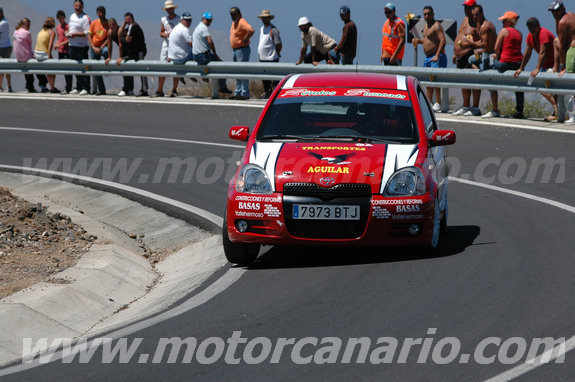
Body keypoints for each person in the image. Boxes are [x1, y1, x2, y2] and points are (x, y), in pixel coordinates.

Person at [514, 17, 558, 121]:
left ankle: (557, 110)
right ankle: (557, 108)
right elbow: (527, 53)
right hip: (545, 66)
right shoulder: (530, 37)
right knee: (539, 85)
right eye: (530, 28)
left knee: (554, 88)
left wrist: (537, 68)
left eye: (534, 27)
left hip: (555, 64)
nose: (532, 29)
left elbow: (543, 52)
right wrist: (521, 68)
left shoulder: (544, 34)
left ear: (538, 26)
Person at [486, 11, 524, 119]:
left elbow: (496, 49)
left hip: (505, 64)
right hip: (518, 64)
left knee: (488, 66)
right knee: (519, 86)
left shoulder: (504, 31)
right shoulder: (519, 33)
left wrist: (495, 59)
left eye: (503, 21)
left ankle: (494, 108)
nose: (502, 23)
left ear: (508, 21)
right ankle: (519, 110)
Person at [412, 5, 446, 112]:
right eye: (425, 14)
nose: (426, 16)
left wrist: (437, 55)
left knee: (435, 80)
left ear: (433, 14)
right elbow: (428, 41)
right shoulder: (426, 26)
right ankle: (429, 101)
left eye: (428, 14)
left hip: (436, 57)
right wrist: (419, 41)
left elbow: (442, 40)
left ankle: (438, 103)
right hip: (427, 57)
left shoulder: (437, 26)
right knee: (428, 80)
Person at [452, 0, 481, 116]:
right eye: (465, 7)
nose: (466, 10)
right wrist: (456, 53)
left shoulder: (477, 23)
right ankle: (466, 106)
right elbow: (460, 35)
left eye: (468, 8)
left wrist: (475, 53)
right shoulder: (465, 19)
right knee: (464, 82)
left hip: (470, 56)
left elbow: (483, 40)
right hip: (461, 57)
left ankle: (475, 107)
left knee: (474, 82)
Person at [549, 0, 575, 124]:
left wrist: (562, 66)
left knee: (571, 84)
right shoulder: (570, 15)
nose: (554, 14)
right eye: (552, 11)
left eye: (556, 11)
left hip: (573, 50)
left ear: (562, 9)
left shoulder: (563, 22)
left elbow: (563, 45)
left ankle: (573, 115)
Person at [469, 5, 497, 118]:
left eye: (476, 14)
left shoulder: (485, 26)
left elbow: (484, 44)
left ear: (481, 13)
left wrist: (470, 42)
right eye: (473, 15)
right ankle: (479, 75)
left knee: (491, 83)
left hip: (488, 56)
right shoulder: (480, 25)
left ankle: (495, 109)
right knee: (471, 60)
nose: (475, 17)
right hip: (484, 54)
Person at [193, 12, 230, 98]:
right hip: (203, 56)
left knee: (212, 65)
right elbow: (210, 41)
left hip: (196, 55)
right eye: (208, 20)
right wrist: (215, 53)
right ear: (203, 19)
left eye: (210, 20)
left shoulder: (197, 27)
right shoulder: (203, 28)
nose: (209, 22)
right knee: (220, 64)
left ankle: (204, 74)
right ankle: (222, 86)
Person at [118, 12, 148, 97]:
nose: (127, 20)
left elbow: (128, 40)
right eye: (125, 19)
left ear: (132, 18)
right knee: (128, 67)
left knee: (142, 69)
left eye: (128, 19)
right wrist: (124, 24)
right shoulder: (129, 27)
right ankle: (129, 88)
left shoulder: (134, 27)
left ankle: (144, 89)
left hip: (139, 51)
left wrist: (121, 39)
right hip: (133, 53)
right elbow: (120, 32)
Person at [156, 0, 179, 97]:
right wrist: (164, 34)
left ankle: (174, 90)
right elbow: (161, 32)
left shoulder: (179, 19)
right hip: (166, 45)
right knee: (162, 67)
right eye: (168, 9)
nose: (169, 10)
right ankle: (160, 90)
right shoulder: (163, 19)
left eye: (170, 9)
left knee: (176, 67)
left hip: (176, 46)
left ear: (173, 8)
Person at [229, 7, 254, 100]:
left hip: (242, 50)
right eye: (232, 15)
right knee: (237, 72)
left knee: (242, 71)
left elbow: (251, 30)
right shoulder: (234, 22)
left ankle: (245, 93)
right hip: (236, 50)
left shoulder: (241, 21)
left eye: (234, 14)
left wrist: (246, 38)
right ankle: (238, 92)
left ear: (239, 14)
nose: (233, 16)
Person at [256, 9, 282, 98]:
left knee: (274, 79)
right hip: (263, 58)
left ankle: (274, 94)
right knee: (265, 79)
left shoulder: (273, 30)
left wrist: (277, 53)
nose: (264, 20)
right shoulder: (262, 29)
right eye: (263, 18)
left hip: (271, 58)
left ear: (269, 18)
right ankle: (267, 93)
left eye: (266, 18)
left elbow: (278, 44)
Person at [167, 12, 193, 97]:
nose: (189, 22)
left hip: (173, 57)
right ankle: (198, 74)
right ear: (182, 20)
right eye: (187, 20)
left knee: (177, 70)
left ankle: (174, 90)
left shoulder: (175, 28)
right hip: (181, 57)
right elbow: (191, 44)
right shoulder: (184, 30)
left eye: (190, 20)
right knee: (199, 54)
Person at [68, 0, 90, 95]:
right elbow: (70, 29)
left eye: (79, 6)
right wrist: (68, 34)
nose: (77, 7)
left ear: (82, 7)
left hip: (81, 46)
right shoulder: (72, 16)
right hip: (72, 45)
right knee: (75, 67)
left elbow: (87, 33)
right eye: (76, 6)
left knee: (83, 66)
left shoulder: (85, 18)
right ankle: (78, 86)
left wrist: (76, 34)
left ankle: (86, 87)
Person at [34, 17, 58, 93]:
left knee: (48, 69)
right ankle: (52, 88)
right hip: (43, 53)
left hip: (36, 53)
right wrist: (49, 54)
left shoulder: (41, 31)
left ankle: (48, 86)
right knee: (52, 69)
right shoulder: (52, 32)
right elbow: (50, 44)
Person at [89, 5, 109, 95]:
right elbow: (89, 35)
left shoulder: (108, 23)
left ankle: (107, 68)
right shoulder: (94, 23)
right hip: (94, 47)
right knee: (95, 68)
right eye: (99, 13)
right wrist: (93, 47)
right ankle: (101, 89)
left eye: (102, 13)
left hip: (102, 46)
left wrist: (101, 47)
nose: (100, 14)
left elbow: (109, 38)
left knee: (106, 52)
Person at [12, 18, 35, 93]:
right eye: (27, 24)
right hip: (26, 56)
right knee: (36, 67)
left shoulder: (15, 32)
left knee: (28, 71)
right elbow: (30, 43)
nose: (28, 26)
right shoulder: (27, 33)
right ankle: (37, 85)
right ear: (23, 24)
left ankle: (29, 86)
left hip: (18, 56)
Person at [54, 10, 73, 94]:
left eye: (62, 18)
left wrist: (60, 44)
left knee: (69, 70)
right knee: (65, 70)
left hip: (67, 50)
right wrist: (57, 44)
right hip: (60, 50)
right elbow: (59, 38)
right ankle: (67, 87)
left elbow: (69, 39)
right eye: (59, 18)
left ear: (64, 18)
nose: (60, 20)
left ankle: (69, 87)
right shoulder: (58, 27)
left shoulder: (68, 27)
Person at [0, 7, 13, 93]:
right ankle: (1, 86)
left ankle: (9, 86)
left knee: (6, 68)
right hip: (2, 47)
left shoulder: (3, 23)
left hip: (4, 48)